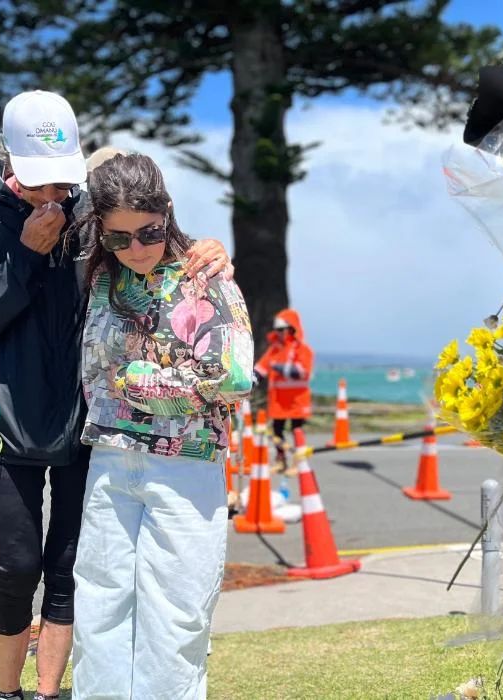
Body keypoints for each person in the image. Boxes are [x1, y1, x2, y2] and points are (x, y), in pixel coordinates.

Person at [0, 90, 231, 700]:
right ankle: (8, 691)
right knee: (17, 565)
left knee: (68, 571)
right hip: (7, 420)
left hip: (83, 421)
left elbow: (146, 251)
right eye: (38, 183)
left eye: (62, 183)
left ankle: (48, 691)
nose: (53, 196)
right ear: (10, 162)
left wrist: (207, 251)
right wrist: (25, 254)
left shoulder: (88, 210)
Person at [71, 153, 254, 698]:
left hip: (185, 466)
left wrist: (139, 383)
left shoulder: (205, 274)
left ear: (167, 213)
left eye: (148, 232)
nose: (136, 249)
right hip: (108, 459)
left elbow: (234, 375)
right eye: (119, 238)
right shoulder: (103, 274)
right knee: (99, 611)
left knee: (176, 618)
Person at [255, 309, 315, 472]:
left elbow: (302, 372)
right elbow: (261, 368)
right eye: (277, 330)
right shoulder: (275, 349)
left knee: (297, 432)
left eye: (282, 330)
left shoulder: (303, 349)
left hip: (297, 400)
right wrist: (249, 381)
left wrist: (278, 367)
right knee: (277, 432)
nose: (279, 333)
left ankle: (299, 463)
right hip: (279, 400)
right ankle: (281, 460)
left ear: (291, 329)